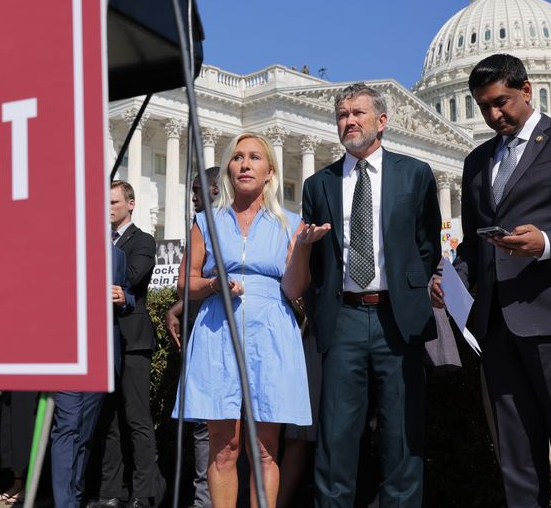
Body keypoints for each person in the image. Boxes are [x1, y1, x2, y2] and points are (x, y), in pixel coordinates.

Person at [435, 54, 551, 507]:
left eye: (501, 102)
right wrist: (453, 277)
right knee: (514, 454)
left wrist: (548, 243)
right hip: (497, 324)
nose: (494, 115)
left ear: (527, 89)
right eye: (483, 106)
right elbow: (476, 245)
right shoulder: (478, 161)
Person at [293, 83, 441, 507]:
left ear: (382, 121)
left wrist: (411, 288)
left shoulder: (414, 174)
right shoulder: (317, 184)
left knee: (402, 438)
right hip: (343, 321)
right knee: (335, 440)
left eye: (358, 113)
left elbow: (426, 243)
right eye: (342, 115)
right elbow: (318, 261)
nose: (349, 121)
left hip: (399, 318)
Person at [176, 133, 328, 508]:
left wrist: (304, 248)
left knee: (264, 447)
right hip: (217, 329)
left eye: (255, 157)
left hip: (272, 331)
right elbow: (185, 284)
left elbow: (293, 289)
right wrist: (213, 283)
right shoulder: (205, 221)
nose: (245, 164)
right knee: (224, 447)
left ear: (270, 171)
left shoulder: (291, 223)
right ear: (228, 169)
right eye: (238, 157)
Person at [91, 181, 162, 508]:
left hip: (132, 340)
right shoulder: (96, 241)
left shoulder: (143, 240)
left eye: (114, 202)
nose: (108, 207)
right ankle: (110, 494)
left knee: (136, 419)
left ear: (131, 204)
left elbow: (132, 276)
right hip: (103, 340)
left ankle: (144, 494)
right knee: (109, 421)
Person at [51, 245, 135, 508]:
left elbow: (129, 298)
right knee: (67, 427)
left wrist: (123, 297)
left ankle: (73, 499)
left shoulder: (116, 254)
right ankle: (64, 503)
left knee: (83, 434)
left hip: (100, 356)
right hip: (65, 351)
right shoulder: (58, 248)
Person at [166, 166, 220, 508]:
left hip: (222, 337)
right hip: (205, 333)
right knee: (203, 427)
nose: (193, 197)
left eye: (199, 190)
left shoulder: (225, 225)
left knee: (214, 430)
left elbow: (220, 282)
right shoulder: (203, 226)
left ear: (216, 190)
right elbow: (203, 281)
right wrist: (179, 305)